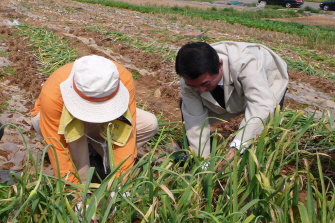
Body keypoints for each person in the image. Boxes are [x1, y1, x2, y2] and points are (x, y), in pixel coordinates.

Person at [31, 55, 158, 184]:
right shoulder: (54, 93)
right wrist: (73, 192)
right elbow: (58, 148)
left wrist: (122, 181)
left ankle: (97, 152)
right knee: (81, 171)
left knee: (149, 123)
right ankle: (83, 161)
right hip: (68, 122)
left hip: (101, 123)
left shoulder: (123, 78)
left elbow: (126, 131)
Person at [175, 41, 289, 167]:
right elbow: (194, 119)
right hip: (229, 87)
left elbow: (261, 105)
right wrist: (203, 163)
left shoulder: (245, 62)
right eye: (194, 86)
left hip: (266, 81)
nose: (200, 90)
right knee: (186, 106)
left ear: (220, 65)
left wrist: (236, 148)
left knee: (266, 122)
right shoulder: (189, 82)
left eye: (205, 83)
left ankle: (261, 162)